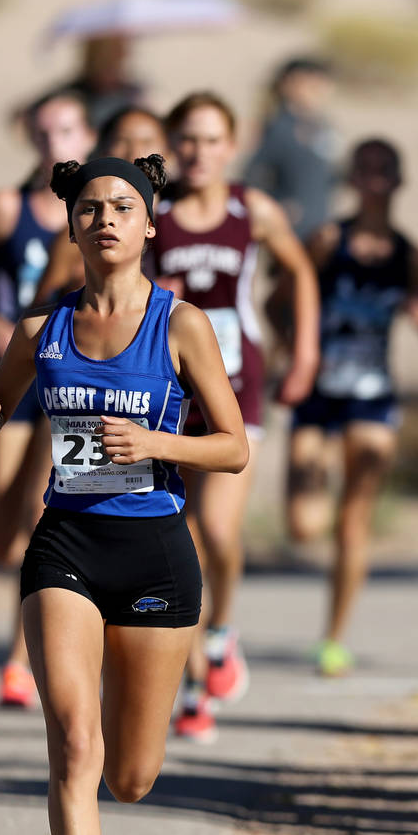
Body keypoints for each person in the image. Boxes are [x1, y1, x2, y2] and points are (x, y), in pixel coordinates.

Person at [0, 154, 248, 835]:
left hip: (156, 553)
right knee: (75, 744)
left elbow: (233, 447)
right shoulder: (38, 331)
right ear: (72, 225)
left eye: (124, 206)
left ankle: (131, 760)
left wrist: (154, 442)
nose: (106, 219)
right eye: (90, 208)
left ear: (150, 224)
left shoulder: (181, 325)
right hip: (66, 547)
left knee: (131, 777)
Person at [153, 91, 319, 741]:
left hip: (238, 387)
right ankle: (195, 687)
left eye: (211, 140)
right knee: (180, 538)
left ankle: (221, 629)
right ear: (172, 144)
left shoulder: (253, 210)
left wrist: (302, 352)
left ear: (233, 144)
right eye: (187, 139)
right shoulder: (155, 212)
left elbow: (300, 271)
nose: (198, 152)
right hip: (171, 393)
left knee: (219, 530)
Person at [0, 89, 96, 707]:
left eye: (67, 131)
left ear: (87, 137)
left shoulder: (101, 211)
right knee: (7, 539)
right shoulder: (7, 207)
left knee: (46, 515)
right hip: (12, 376)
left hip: (70, 380)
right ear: (29, 139)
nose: (55, 143)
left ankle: (22, 657)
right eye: (44, 133)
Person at [287, 138, 418, 675]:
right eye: (365, 169)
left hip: (373, 396)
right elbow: (277, 299)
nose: (375, 179)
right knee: (304, 524)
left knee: (353, 522)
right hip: (317, 394)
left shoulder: (412, 258)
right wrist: (293, 351)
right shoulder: (326, 241)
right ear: (351, 178)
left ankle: (333, 640)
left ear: (399, 181)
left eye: (385, 170)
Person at [32, 106, 168, 306]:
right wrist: (81, 290)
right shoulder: (84, 230)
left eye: (146, 142)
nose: (134, 151)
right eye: (122, 141)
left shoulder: (181, 219)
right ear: (103, 148)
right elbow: (42, 306)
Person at [242, 56, 339, 242]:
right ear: (288, 83)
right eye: (311, 82)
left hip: (321, 228)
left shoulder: (324, 127)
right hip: (289, 231)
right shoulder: (278, 126)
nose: (319, 89)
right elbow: (253, 175)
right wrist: (276, 204)